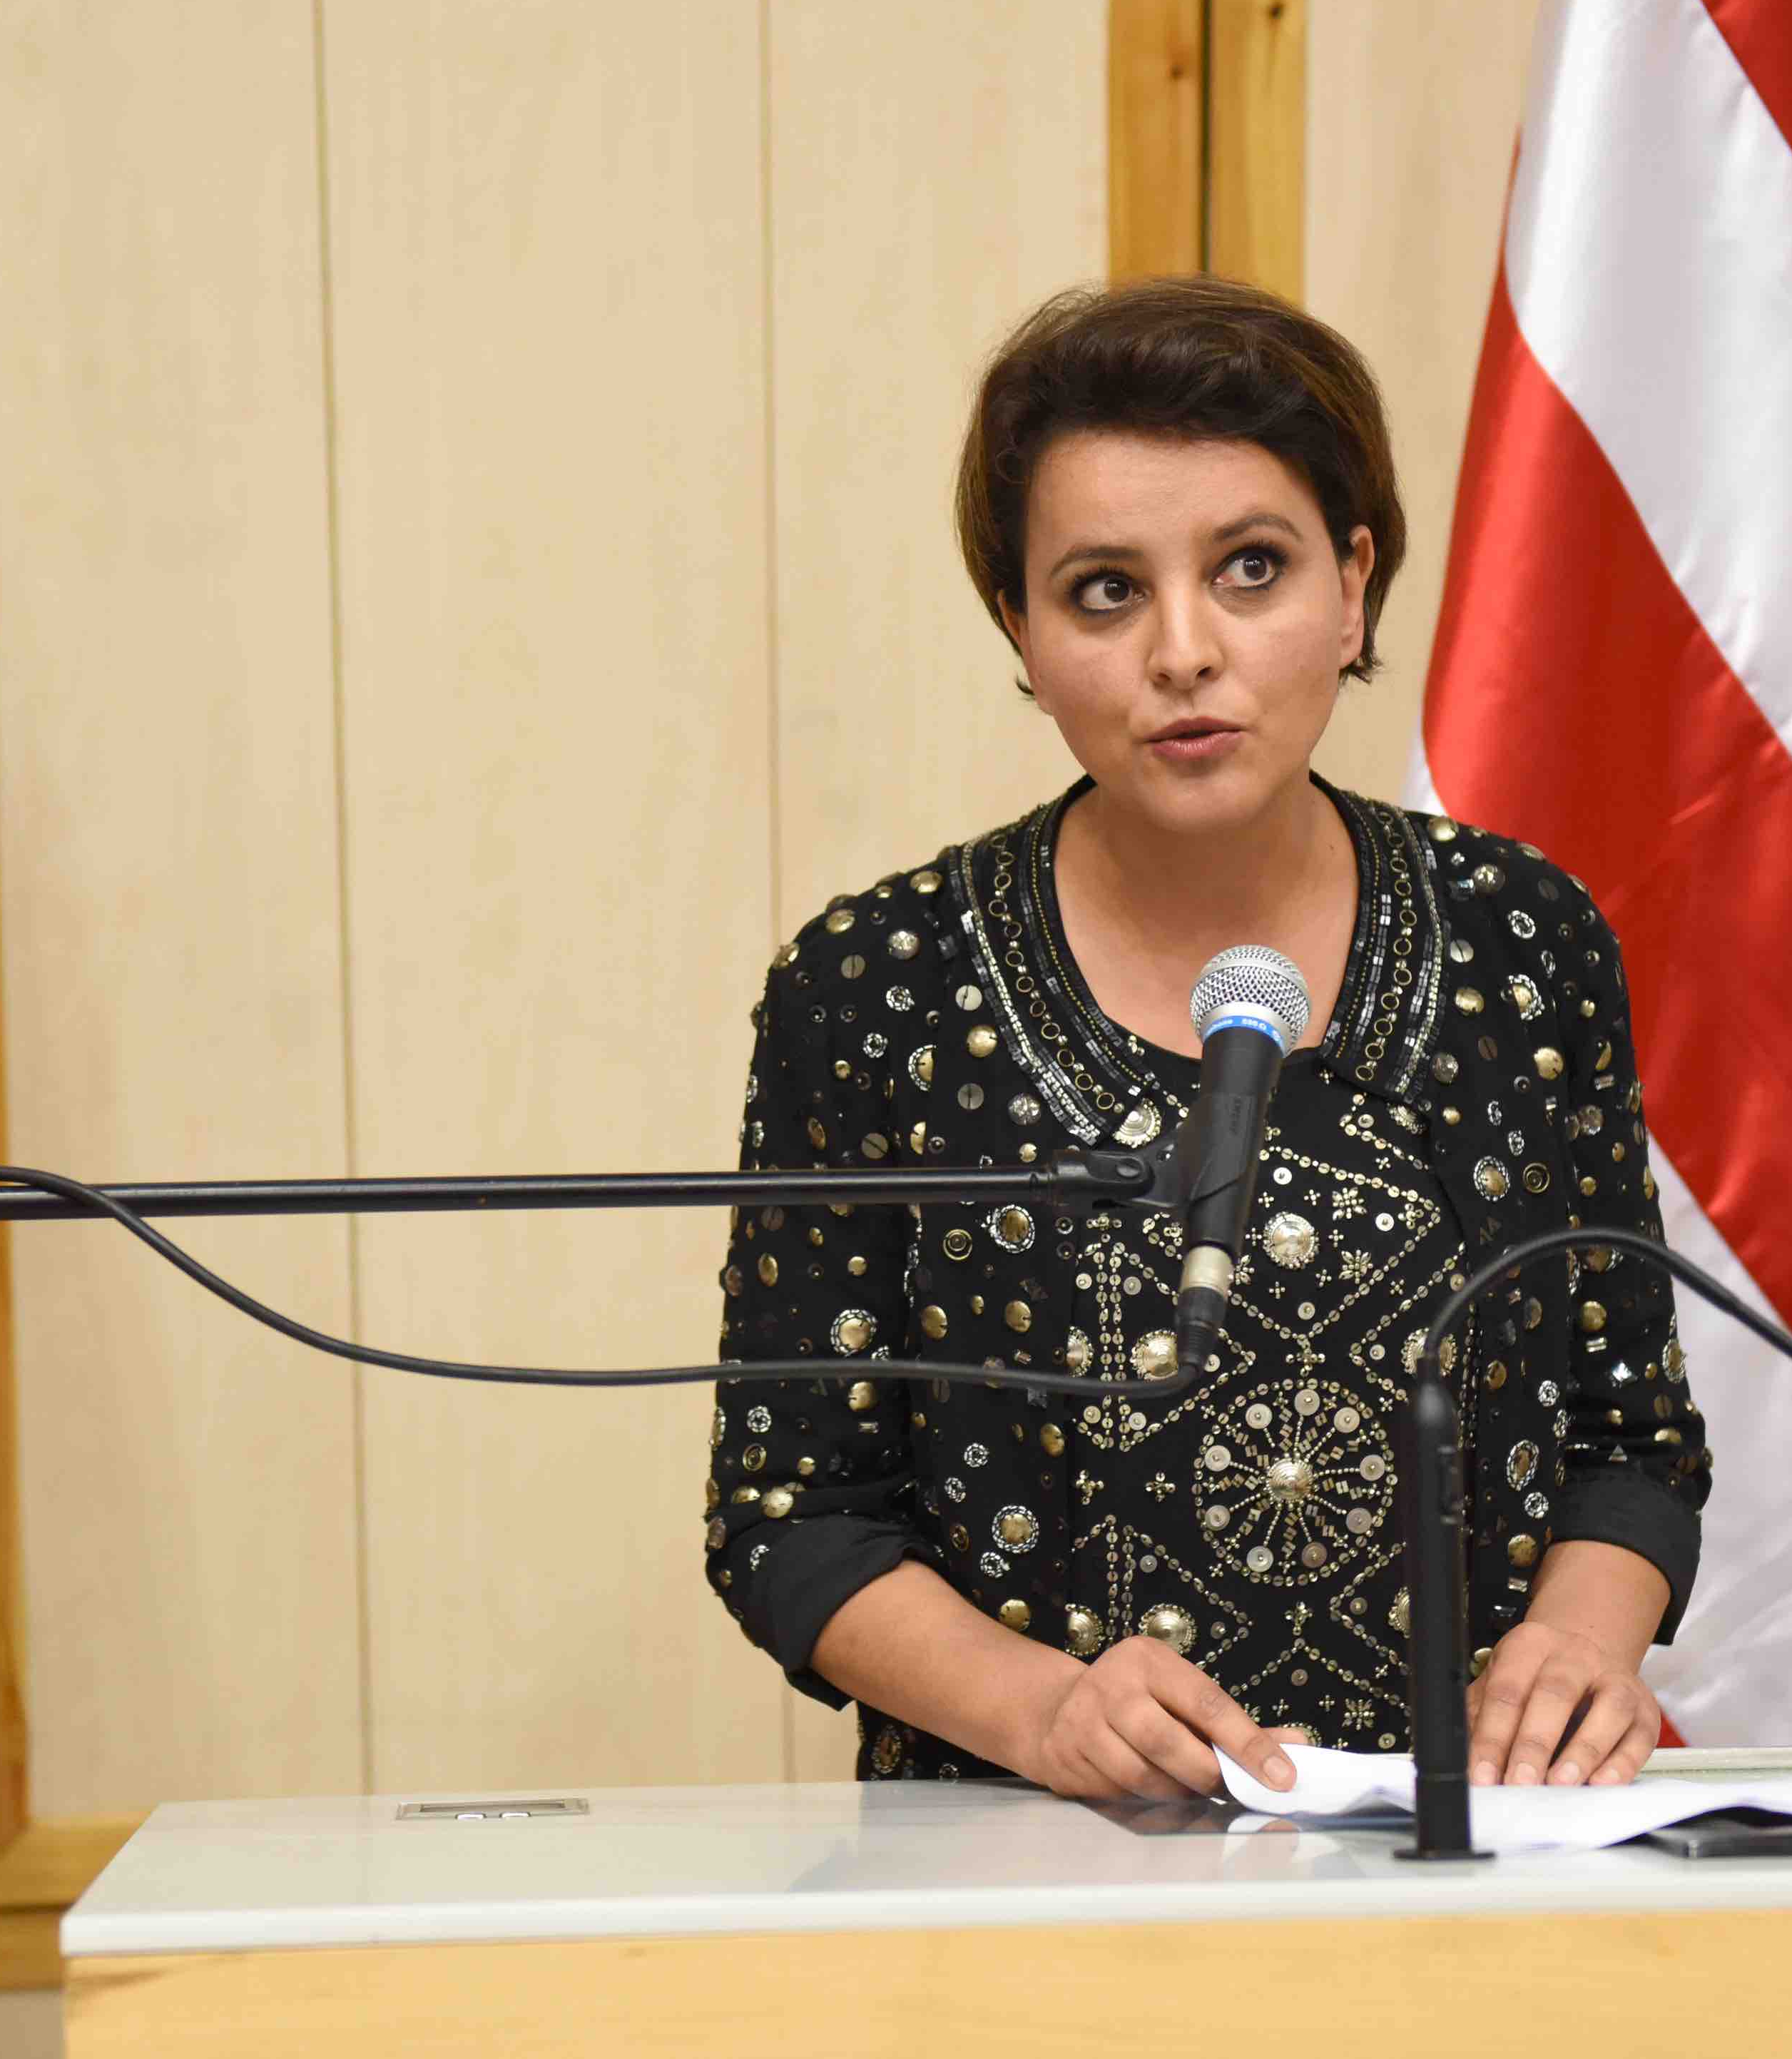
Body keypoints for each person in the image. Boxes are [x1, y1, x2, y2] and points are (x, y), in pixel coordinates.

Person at [703, 277, 1709, 1801]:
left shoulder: (1521, 942)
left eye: (1250, 568)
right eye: (1104, 590)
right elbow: (793, 1511)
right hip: (1025, 1860)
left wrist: (1574, 1650)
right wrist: (1045, 1713)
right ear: (1020, 630)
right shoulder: (874, 987)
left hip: (1460, 1850)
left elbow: (1629, 1437)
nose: (1182, 651)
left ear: (1353, 586)